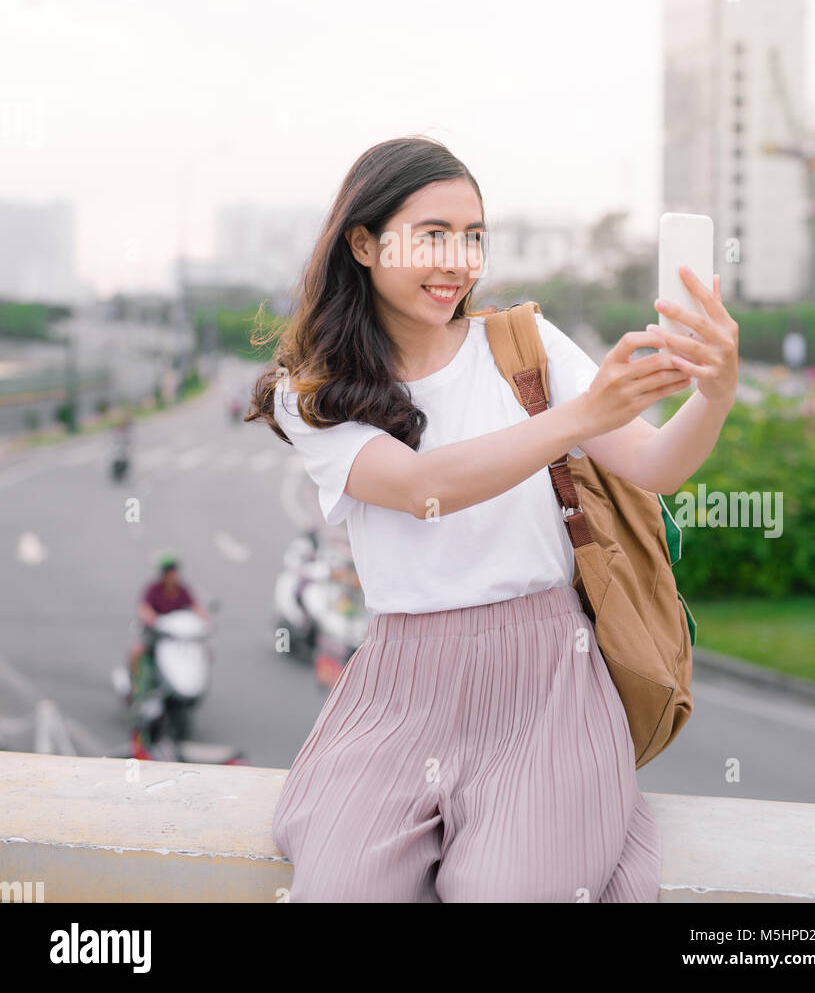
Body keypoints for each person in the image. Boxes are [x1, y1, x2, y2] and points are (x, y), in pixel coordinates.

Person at [246, 135, 739, 904]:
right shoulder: (310, 389)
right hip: (399, 687)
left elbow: (655, 467)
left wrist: (714, 392)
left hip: (548, 675)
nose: (459, 260)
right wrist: (578, 417)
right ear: (364, 242)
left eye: (473, 236)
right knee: (342, 887)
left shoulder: (523, 345)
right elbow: (419, 488)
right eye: (433, 234)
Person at [128, 553, 209, 696]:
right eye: (169, 572)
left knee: (206, 654)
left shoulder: (182, 590)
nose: (172, 575)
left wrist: (204, 621)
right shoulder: (154, 589)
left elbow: (196, 608)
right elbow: (144, 608)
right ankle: (135, 688)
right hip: (157, 635)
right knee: (136, 653)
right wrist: (152, 619)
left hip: (178, 639)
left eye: (174, 572)